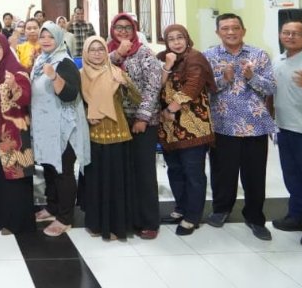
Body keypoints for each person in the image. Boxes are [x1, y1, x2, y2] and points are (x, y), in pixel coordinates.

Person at [203, 13, 277, 241]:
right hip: (222, 125)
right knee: (222, 172)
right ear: (217, 32)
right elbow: (203, 89)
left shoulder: (259, 55)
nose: (231, 32)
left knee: (254, 175)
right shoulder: (209, 56)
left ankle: (255, 217)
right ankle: (221, 210)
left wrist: (252, 76)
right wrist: (224, 79)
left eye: (235, 28)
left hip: (255, 125)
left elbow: (271, 88)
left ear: (243, 30)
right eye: (225, 28)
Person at [31, 24, 90, 237]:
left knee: (63, 172)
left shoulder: (65, 62)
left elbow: (70, 95)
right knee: (49, 167)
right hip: (45, 127)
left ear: (59, 39)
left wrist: (55, 77)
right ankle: (52, 206)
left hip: (64, 129)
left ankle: (65, 217)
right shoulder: (41, 60)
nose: (46, 40)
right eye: (43, 36)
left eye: (51, 37)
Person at [106, 13, 162, 240]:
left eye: (127, 27)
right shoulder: (107, 52)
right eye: (118, 27)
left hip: (142, 123)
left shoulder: (144, 53)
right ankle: (128, 219)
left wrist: (142, 118)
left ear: (134, 30)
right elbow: (97, 72)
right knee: (123, 172)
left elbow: (153, 86)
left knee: (143, 172)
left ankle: (148, 221)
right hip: (116, 121)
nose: (122, 31)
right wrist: (118, 54)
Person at [157, 24, 216, 236]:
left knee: (193, 173)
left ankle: (192, 217)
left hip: (193, 126)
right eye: (171, 39)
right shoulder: (164, 58)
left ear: (187, 38)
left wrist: (170, 109)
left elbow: (192, 87)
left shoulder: (195, 58)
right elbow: (156, 84)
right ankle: (181, 208)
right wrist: (167, 65)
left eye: (180, 37)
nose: (176, 42)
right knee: (175, 170)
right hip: (170, 128)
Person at [80, 36, 139, 241]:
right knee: (96, 183)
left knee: (117, 183)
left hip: (118, 134)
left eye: (101, 49)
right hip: (94, 136)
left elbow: (137, 99)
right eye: (92, 49)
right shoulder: (81, 75)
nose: (97, 53)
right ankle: (96, 224)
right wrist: (87, 114)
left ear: (106, 52)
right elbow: (76, 105)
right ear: (86, 53)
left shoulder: (116, 72)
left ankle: (117, 226)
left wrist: (126, 84)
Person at [0, 33, 36, 235]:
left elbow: (26, 97)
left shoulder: (16, 70)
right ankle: (0, 214)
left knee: (16, 179)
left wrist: (14, 85)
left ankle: (17, 222)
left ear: (6, 48)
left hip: (15, 134)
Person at [272, 16, 302, 247]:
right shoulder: (278, 60)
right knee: (293, 177)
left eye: (296, 33)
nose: (290, 37)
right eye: (286, 32)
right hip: (285, 128)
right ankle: (298, 216)